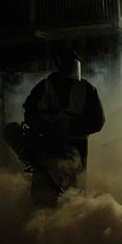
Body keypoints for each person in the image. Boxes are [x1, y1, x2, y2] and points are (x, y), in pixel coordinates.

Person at [22, 49, 105, 206]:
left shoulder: (85, 89)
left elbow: (98, 121)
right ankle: (48, 221)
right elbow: (29, 114)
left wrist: (68, 127)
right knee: (56, 188)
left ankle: (63, 222)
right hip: (52, 143)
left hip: (66, 145)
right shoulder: (47, 87)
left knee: (67, 189)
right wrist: (47, 127)